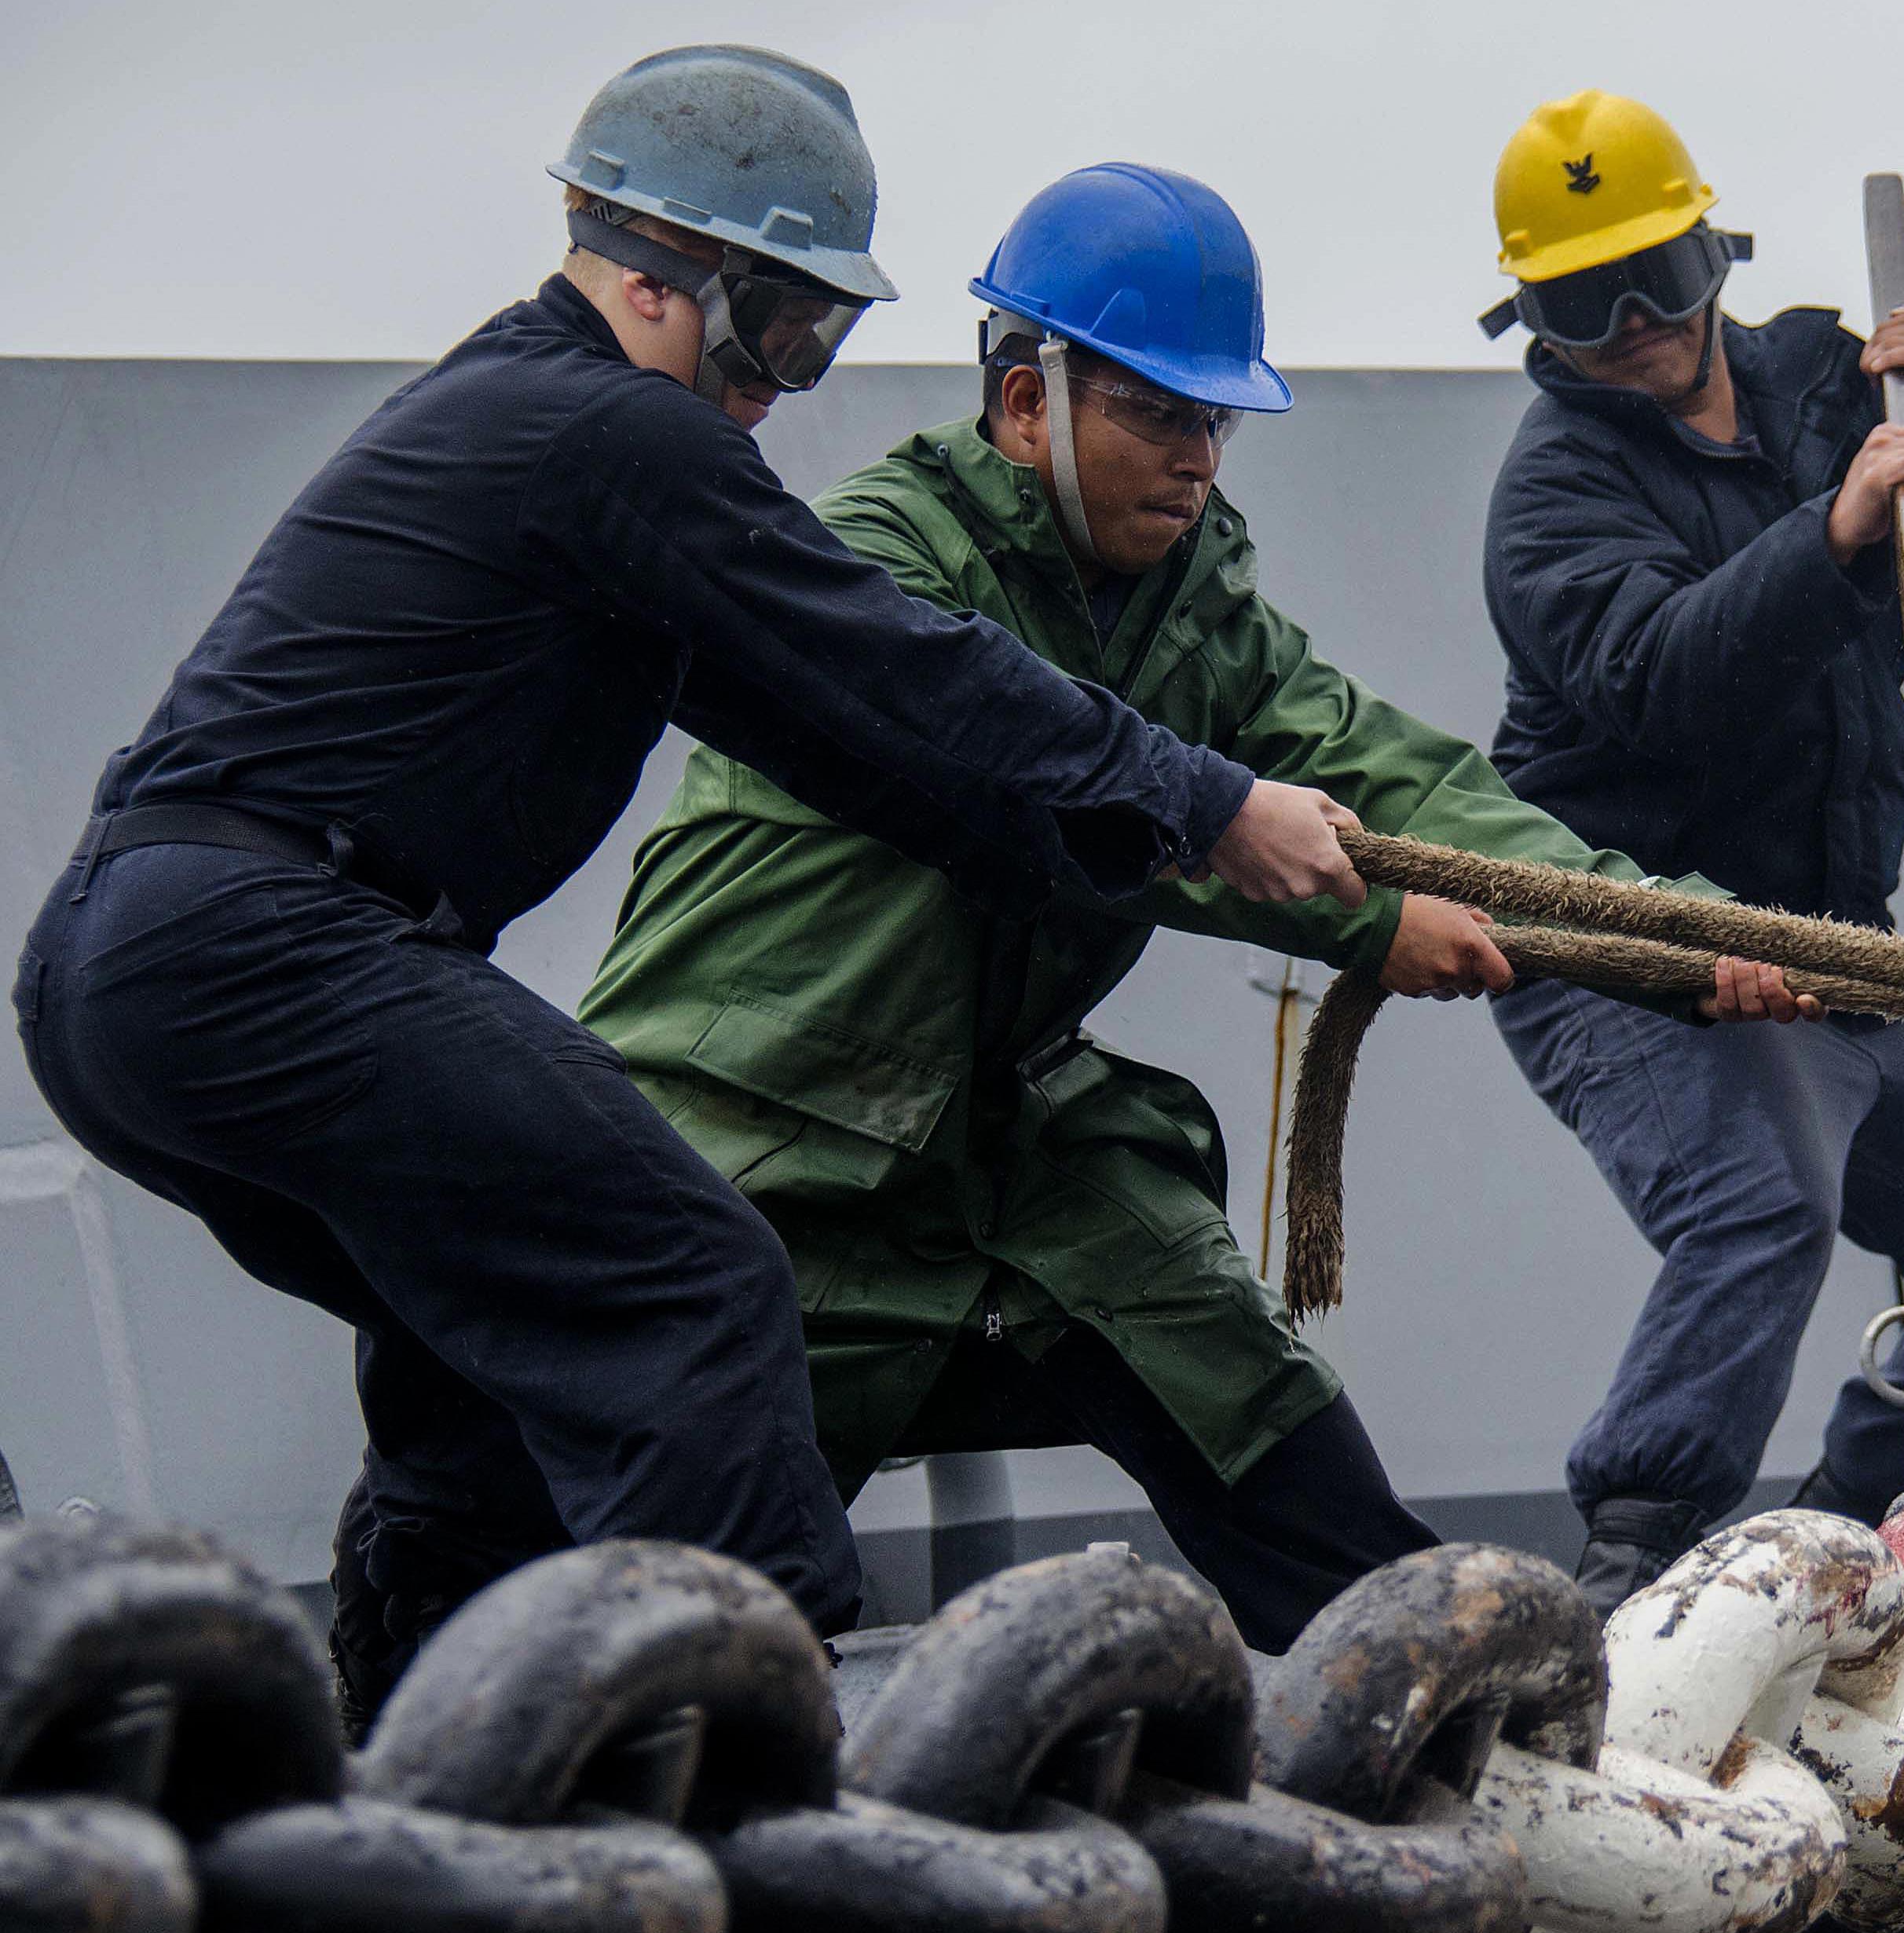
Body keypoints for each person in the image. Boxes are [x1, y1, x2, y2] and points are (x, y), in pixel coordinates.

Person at [13, 48, 1374, 1722]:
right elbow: (896, 661)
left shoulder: (524, 420)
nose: (790, 384)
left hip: (125, 975)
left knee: (483, 1334)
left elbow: (856, 738)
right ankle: (770, 1770)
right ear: (668, 279)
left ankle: (427, 1740)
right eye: (784, 331)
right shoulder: (615, 432)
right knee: (697, 1272)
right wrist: (1204, 795)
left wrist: (1158, 840)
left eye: (821, 341)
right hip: (265, 945)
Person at [582, 164, 1804, 1650]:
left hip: (1012, 1143)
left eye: (1213, 422)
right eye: (1158, 415)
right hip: (762, 1140)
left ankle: (1482, 1736)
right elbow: (1006, 784)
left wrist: (1673, 937)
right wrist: (1363, 922)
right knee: (712, 1599)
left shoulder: (1192, 609)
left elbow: (1391, 780)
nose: (1196, 461)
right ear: (1027, 400)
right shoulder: (876, 564)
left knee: (1268, 1426)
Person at [1469, 90, 1904, 1605]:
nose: (1629, 324)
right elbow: (1658, 680)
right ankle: (1632, 1566)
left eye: (1656, 281)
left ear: (1714, 256)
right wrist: (1830, 529)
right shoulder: (1550, 497)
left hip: (1827, 941)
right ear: (1531, 321)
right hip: (1630, 950)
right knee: (1757, 1199)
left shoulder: (1825, 376)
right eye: (1576, 299)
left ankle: (1847, 1514)